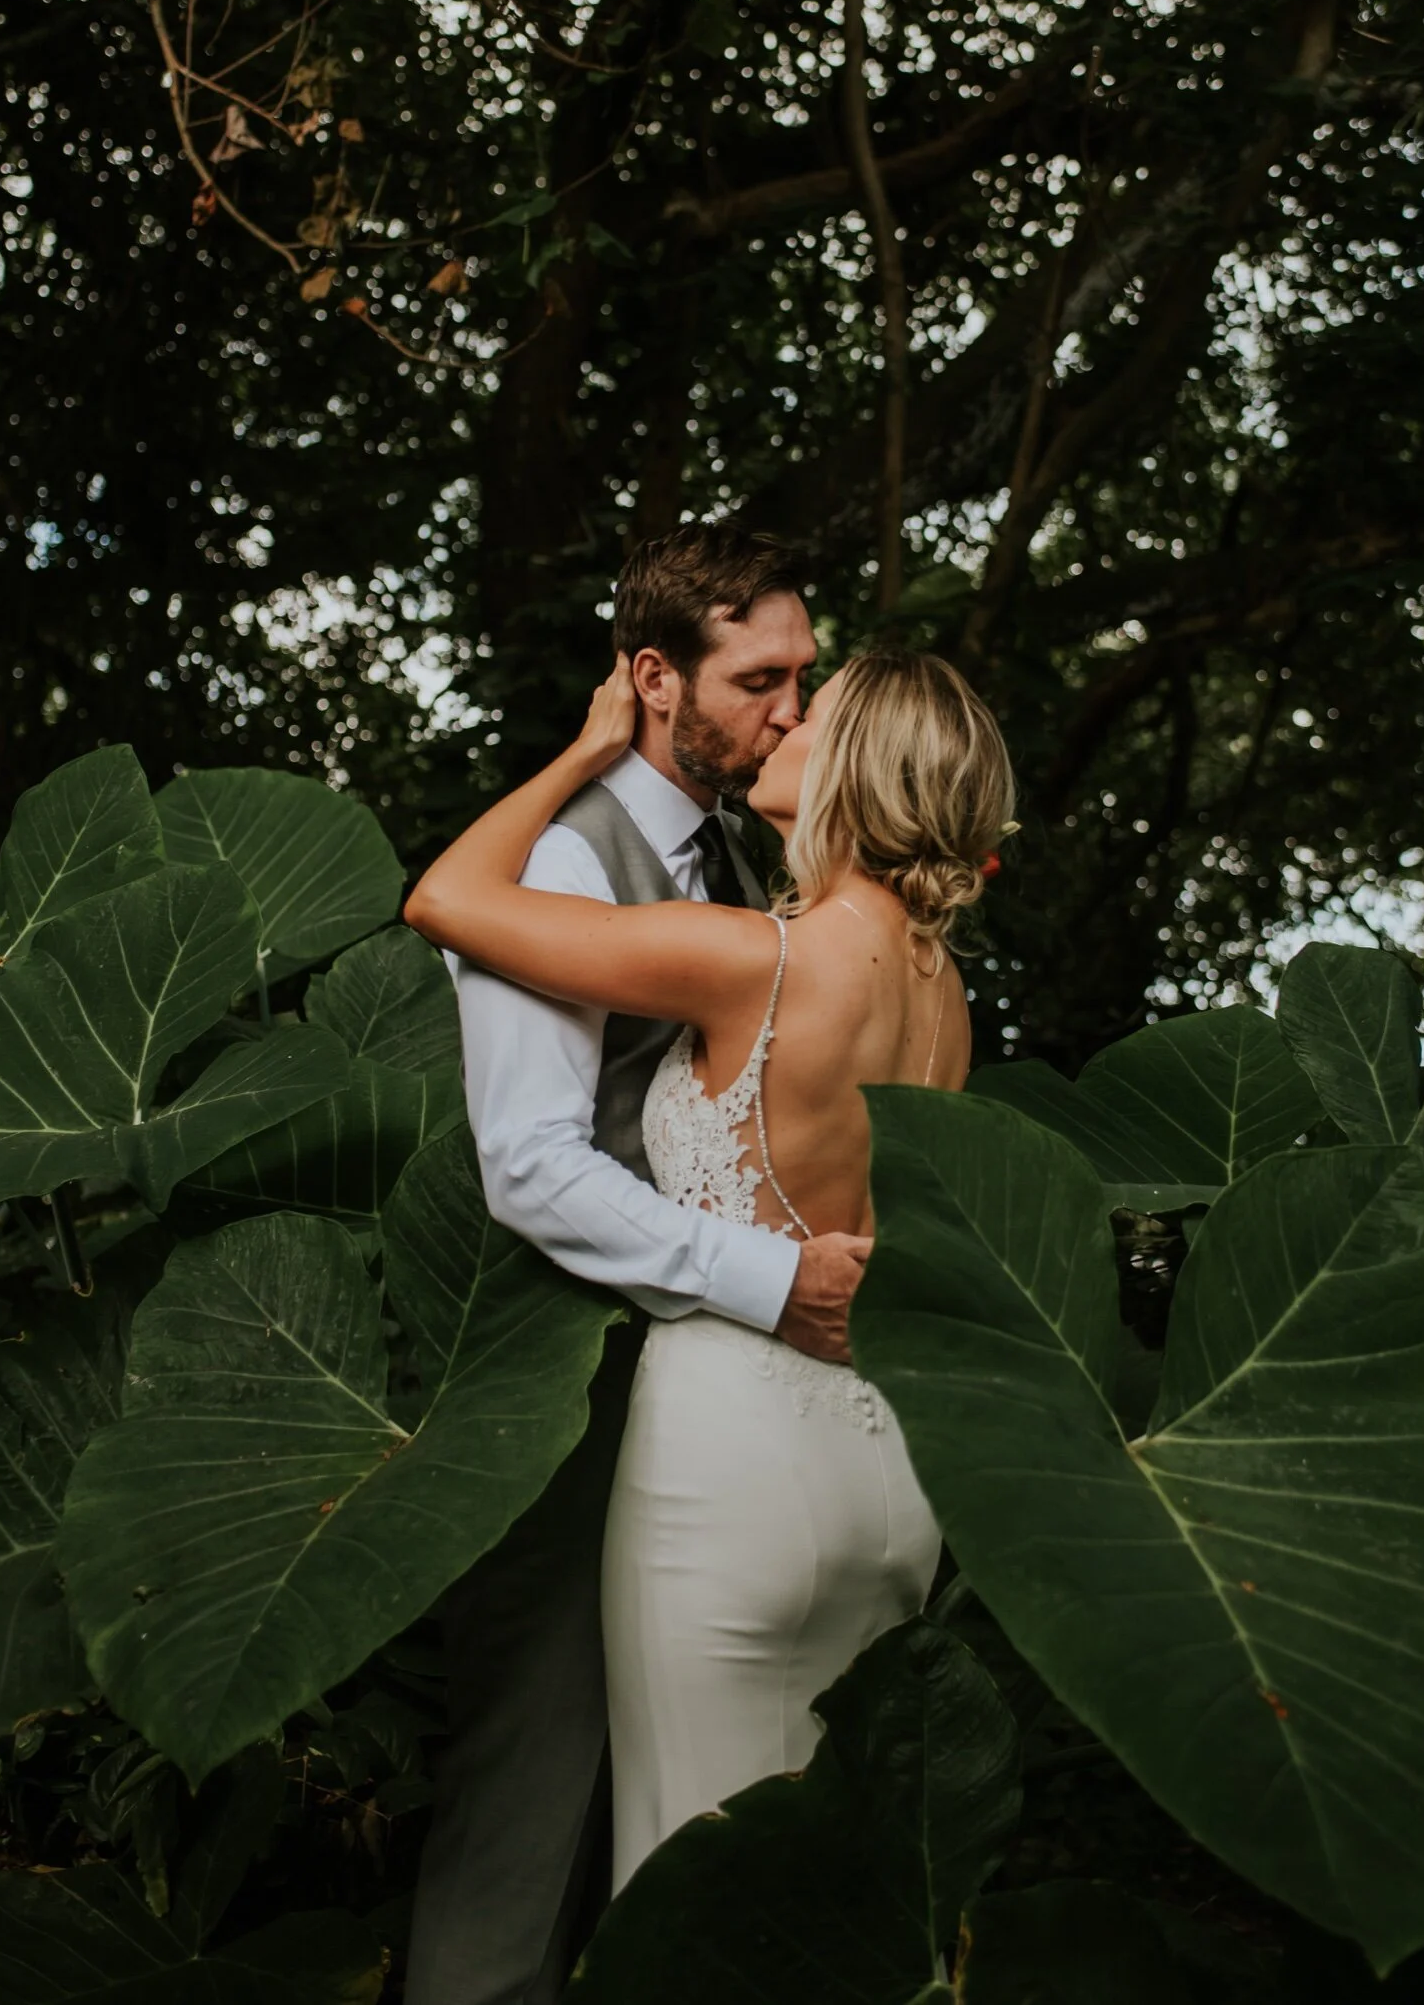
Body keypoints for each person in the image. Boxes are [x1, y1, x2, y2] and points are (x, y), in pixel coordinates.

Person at [408, 628, 1013, 1908]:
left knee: (683, 1889)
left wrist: (582, 752)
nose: (783, 727)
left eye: (814, 716)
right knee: (815, 1896)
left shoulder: (754, 955)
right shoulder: (944, 991)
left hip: (735, 1460)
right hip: (887, 1469)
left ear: (855, 769)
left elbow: (446, 899)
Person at [401, 524, 869, 2005]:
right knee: (535, 1789)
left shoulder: (738, 853)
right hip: (559, 1376)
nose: (795, 708)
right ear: (655, 678)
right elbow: (530, 1161)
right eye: (761, 678)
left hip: (694, 1399)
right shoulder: (559, 856)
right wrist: (764, 1280)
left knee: (657, 1804)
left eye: (804, 675)